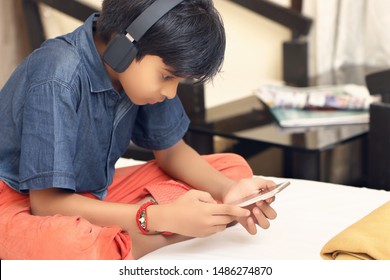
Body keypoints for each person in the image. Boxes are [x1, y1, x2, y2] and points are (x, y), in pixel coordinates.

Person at [0, 0, 277, 260]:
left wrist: (229, 189)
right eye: (167, 76)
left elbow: (172, 153)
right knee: (76, 245)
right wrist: (158, 217)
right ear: (124, 47)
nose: (170, 92)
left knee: (233, 168)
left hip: (91, 194)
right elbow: (47, 205)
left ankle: (129, 232)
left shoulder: (137, 74)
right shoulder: (57, 75)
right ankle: (141, 239)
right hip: (20, 201)